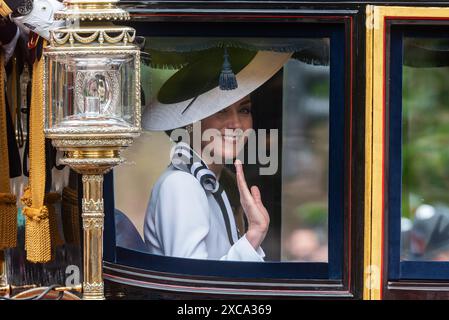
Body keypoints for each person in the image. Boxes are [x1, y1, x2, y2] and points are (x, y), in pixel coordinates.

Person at [142, 47, 291, 261]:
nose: (236, 124)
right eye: (220, 110)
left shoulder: (211, 183)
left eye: (244, 110)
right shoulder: (182, 185)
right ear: (194, 121)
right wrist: (255, 234)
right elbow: (194, 287)